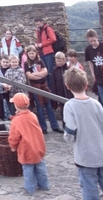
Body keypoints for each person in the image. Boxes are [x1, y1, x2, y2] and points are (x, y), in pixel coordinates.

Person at [63, 67, 103, 200]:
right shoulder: (96, 104)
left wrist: (67, 138)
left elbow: (70, 132)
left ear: (67, 86)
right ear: (86, 84)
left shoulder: (70, 106)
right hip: (101, 153)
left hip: (85, 156)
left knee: (89, 190)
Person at [8, 93, 49, 194]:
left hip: (26, 150)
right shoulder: (33, 115)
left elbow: (13, 136)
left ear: (16, 106)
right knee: (41, 168)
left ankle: (30, 189)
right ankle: (44, 185)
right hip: (38, 147)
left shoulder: (16, 120)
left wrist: (13, 147)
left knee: (28, 171)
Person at [24, 45, 63, 134]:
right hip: (35, 87)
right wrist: (39, 74)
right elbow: (29, 75)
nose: (31, 55)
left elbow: (45, 72)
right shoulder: (27, 63)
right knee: (40, 107)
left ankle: (55, 126)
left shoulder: (40, 61)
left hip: (43, 85)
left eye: (33, 53)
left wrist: (35, 74)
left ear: (36, 53)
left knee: (48, 106)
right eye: (29, 53)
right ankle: (43, 127)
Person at [51, 52, 74, 128]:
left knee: (71, 111)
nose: (59, 63)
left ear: (64, 60)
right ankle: (65, 128)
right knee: (63, 112)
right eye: (57, 61)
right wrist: (54, 95)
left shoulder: (68, 69)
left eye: (60, 61)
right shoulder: (54, 70)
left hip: (69, 94)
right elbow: (53, 83)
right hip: (60, 93)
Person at [34, 17, 57, 89]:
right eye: (36, 24)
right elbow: (39, 40)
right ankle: (47, 88)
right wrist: (37, 44)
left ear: (42, 22)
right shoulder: (38, 31)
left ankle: (51, 89)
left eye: (38, 24)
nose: (37, 26)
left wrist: (42, 44)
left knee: (49, 72)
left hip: (48, 53)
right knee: (44, 72)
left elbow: (53, 39)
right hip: (42, 53)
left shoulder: (48, 29)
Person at [84, 29, 103, 102]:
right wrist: (92, 73)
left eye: (94, 40)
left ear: (97, 37)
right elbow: (90, 62)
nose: (93, 43)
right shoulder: (88, 49)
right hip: (98, 75)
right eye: (91, 41)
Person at [0, 54, 12, 120]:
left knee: (10, 108)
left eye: (7, 62)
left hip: (10, 92)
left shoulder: (10, 70)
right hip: (2, 92)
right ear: (0, 62)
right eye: (4, 62)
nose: (5, 64)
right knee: (4, 108)